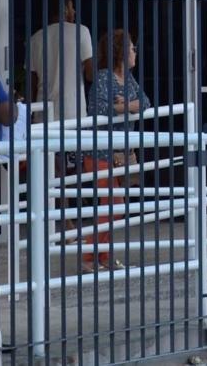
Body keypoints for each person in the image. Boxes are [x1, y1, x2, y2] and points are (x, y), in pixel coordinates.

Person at [82, 28, 149, 273]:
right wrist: (124, 107)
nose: (135, 52)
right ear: (121, 52)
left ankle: (104, 256)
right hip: (100, 153)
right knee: (114, 204)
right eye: (132, 48)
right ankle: (89, 256)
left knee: (114, 206)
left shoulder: (127, 79)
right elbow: (97, 110)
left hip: (120, 154)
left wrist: (124, 104)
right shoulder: (103, 78)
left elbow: (145, 102)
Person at [28, 0, 95, 124]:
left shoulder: (35, 38)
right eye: (72, 7)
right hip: (73, 112)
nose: (74, 11)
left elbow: (31, 84)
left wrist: (29, 113)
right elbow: (90, 75)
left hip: (42, 113)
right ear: (64, 9)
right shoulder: (81, 31)